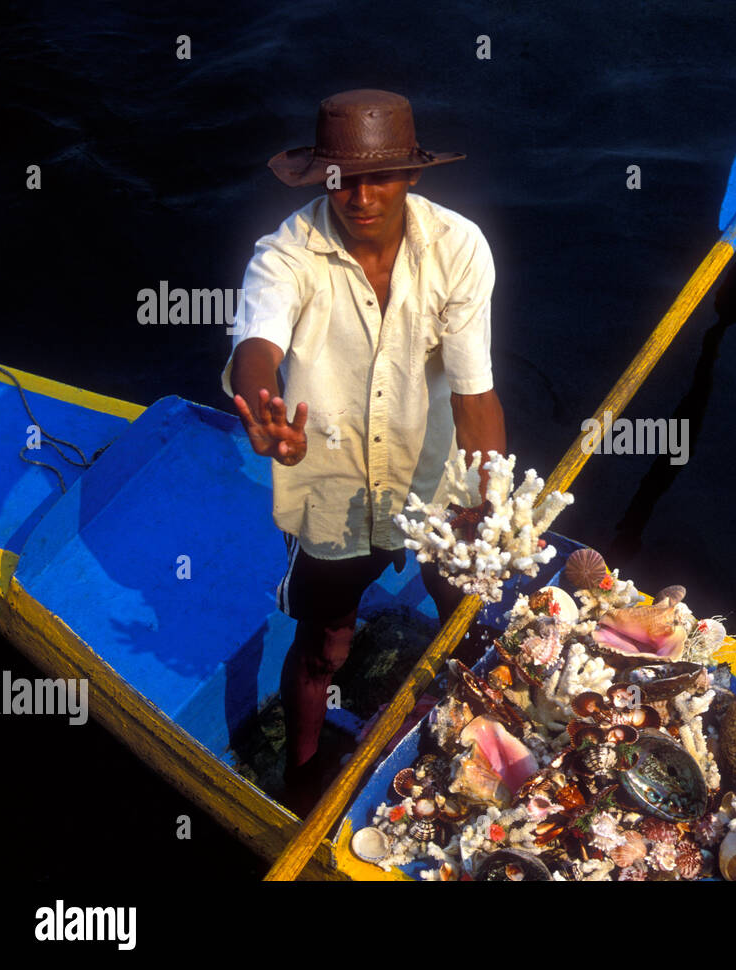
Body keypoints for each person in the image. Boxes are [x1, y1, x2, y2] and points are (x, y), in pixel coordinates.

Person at [220, 89, 506, 815]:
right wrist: (264, 409)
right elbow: (258, 342)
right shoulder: (287, 253)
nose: (360, 194)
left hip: (436, 485)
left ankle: (485, 750)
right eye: (343, 176)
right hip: (331, 487)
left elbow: (474, 394)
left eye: (380, 177)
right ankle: (303, 777)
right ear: (324, 178)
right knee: (325, 646)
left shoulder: (460, 248)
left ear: (413, 176)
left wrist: (488, 498)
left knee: (466, 617)